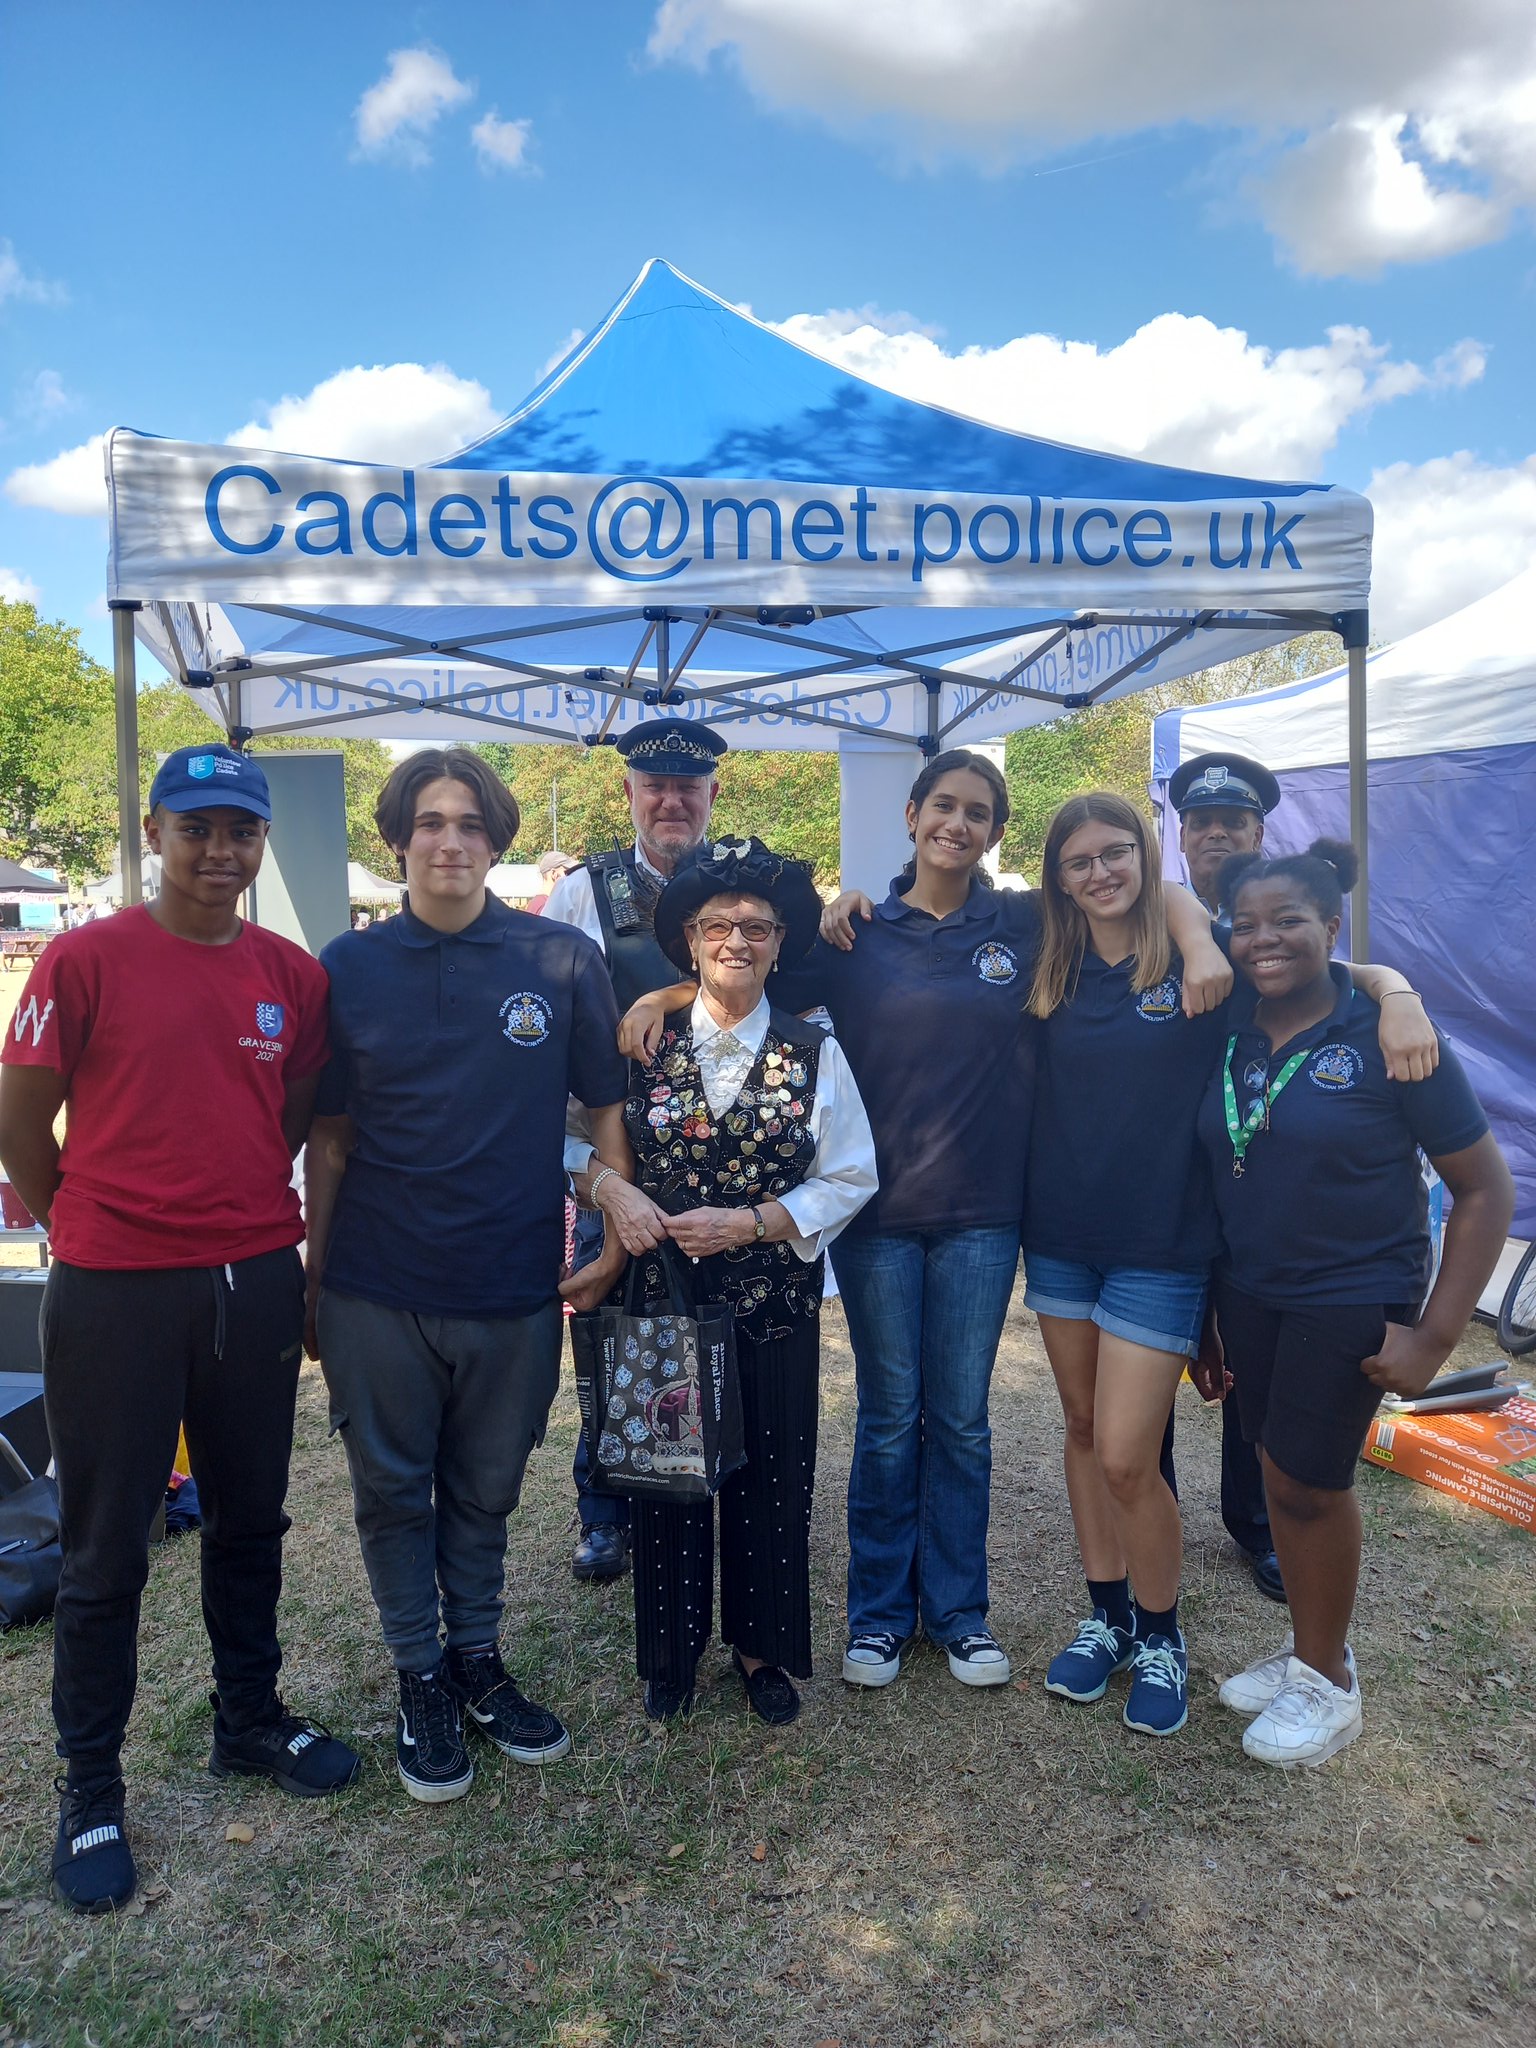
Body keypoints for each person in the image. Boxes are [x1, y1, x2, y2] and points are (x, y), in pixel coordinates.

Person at [628, 753, 1229, 1694]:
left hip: (987, 1219)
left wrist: (1198, 939)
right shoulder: (856, 932)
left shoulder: (1026, 924)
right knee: (888, 1418)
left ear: (995, 831)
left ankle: (957, 1611)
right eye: (943, 806)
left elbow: (1151, 897)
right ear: (912, 815)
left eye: (979, 812)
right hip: (876, 1217)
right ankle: (876, 1616)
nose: (958, 823)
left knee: (961, 1422)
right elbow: (743, 972)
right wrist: (659, 994)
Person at [0, 744, 359, 1917]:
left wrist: (287, 1257)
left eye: (239, 831)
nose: (220, 850)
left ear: (261, 844)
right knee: (108, 1542)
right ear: (153, 832)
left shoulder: (290, 975)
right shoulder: (85, 954)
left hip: (252, 1275)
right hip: (115, 1285)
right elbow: (21, 1119)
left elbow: (295, 1119)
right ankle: (88, 1784)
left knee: (252, 1514)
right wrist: (85, 1228)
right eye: (196, 827)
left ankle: (247, 1718)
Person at [1024, 793, 1436, 1740]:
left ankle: (1162, 1634)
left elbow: (1320, 964)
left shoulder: (1203, 960)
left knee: (1131, 1455)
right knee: (1084, 1430)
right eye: (1078, 860)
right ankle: (1109, 1618)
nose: (1098, 873)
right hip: (1058, 1239)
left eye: (1117, 852)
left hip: (1164, 1245)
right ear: (1056, 875)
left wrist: (1398, 990)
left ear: (1146, 855)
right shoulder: (1046, 957)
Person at [302, 748, 631, 1803]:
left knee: (487, 1491)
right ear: (398, 838)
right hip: (377, 1281)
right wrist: (314, 1277)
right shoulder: (345, 968)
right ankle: (419, 1677)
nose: (448, 840)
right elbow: (331, 1139)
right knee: (392, 1491)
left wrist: (615, 1236)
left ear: (495, 840)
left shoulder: (561, 959)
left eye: (469, 824)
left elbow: (603, 1114)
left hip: (512, 1279)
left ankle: (478, 1659)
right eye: (429, 822)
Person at [1202, 841, 1512, 1767]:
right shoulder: (1227, 1027)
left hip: (1350, 1293)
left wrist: (1436, 1335)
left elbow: (1485, 1193)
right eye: (1246, 924)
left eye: (1288, 921)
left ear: (1331, 929)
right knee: (1275, 1466)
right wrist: (1208, 1315)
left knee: (1308, 1482)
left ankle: (1329, 1682)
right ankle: (1309, 1651)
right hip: (1250, 1291)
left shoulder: (1387, 1035)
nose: (1264, 940)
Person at [591, 837, 877, 1725]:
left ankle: (761, 1652)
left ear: (782, 941)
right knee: (669, 1475)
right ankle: (671, 1656)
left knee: (773, 1474)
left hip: (774, 1302)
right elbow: (570, 1138)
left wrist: (754, 1222)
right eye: (719, 926)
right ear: (690, 939)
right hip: (663, 1291)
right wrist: (610, 1189)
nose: (737, 942)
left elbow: (852, 1173)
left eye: (756, 927)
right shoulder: (641, 1039)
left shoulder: (814, 1049)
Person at [542, 717, 727, 1583]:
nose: (672, 800)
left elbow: (777, 977)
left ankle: (711, 1485)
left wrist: (665, 989)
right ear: (629, 795)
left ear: (711, 796)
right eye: (655, 786)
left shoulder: (741, 884)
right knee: (608, 1330)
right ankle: (605, 1509)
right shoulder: (584, 890)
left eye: (689, 786)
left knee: (715, 1329)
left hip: (716, 1154)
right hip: (613, 1154)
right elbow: (548, 1023)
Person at [1166, 751, 1287, 1602]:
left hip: (1251, 1177)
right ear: (1181, 837)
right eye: (1200, 822)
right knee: (1154, 1350)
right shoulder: (1156, 923)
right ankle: (1154, 1512)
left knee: (1253, 1359)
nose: (1215, 834)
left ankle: (1261, 1527)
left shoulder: (1274, 921)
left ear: (1257, 833)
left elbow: (1345, 982)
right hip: (1165, 1174)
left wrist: (1401, 995)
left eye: (1232, 822)